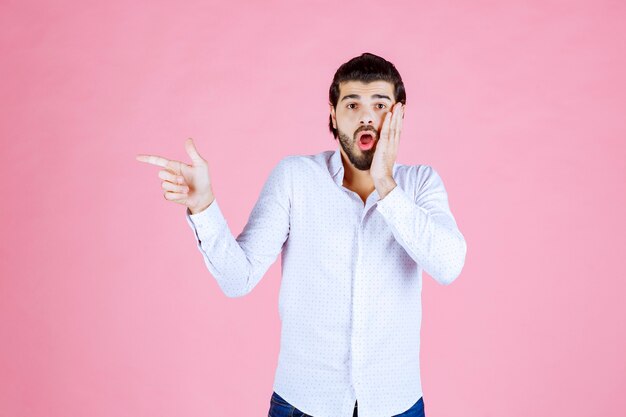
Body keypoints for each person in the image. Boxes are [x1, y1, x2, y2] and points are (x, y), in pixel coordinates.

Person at [136, 52, 467, 417]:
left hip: (396, 404)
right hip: (302, 404)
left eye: (380, 104)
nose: (366, 115)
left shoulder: (420, 184)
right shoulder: (294, 178)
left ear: (399, 114)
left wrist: (385, 183)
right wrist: (203, 206)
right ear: (333, 113)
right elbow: (237, 278)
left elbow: (448, 265)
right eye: (352, 103)